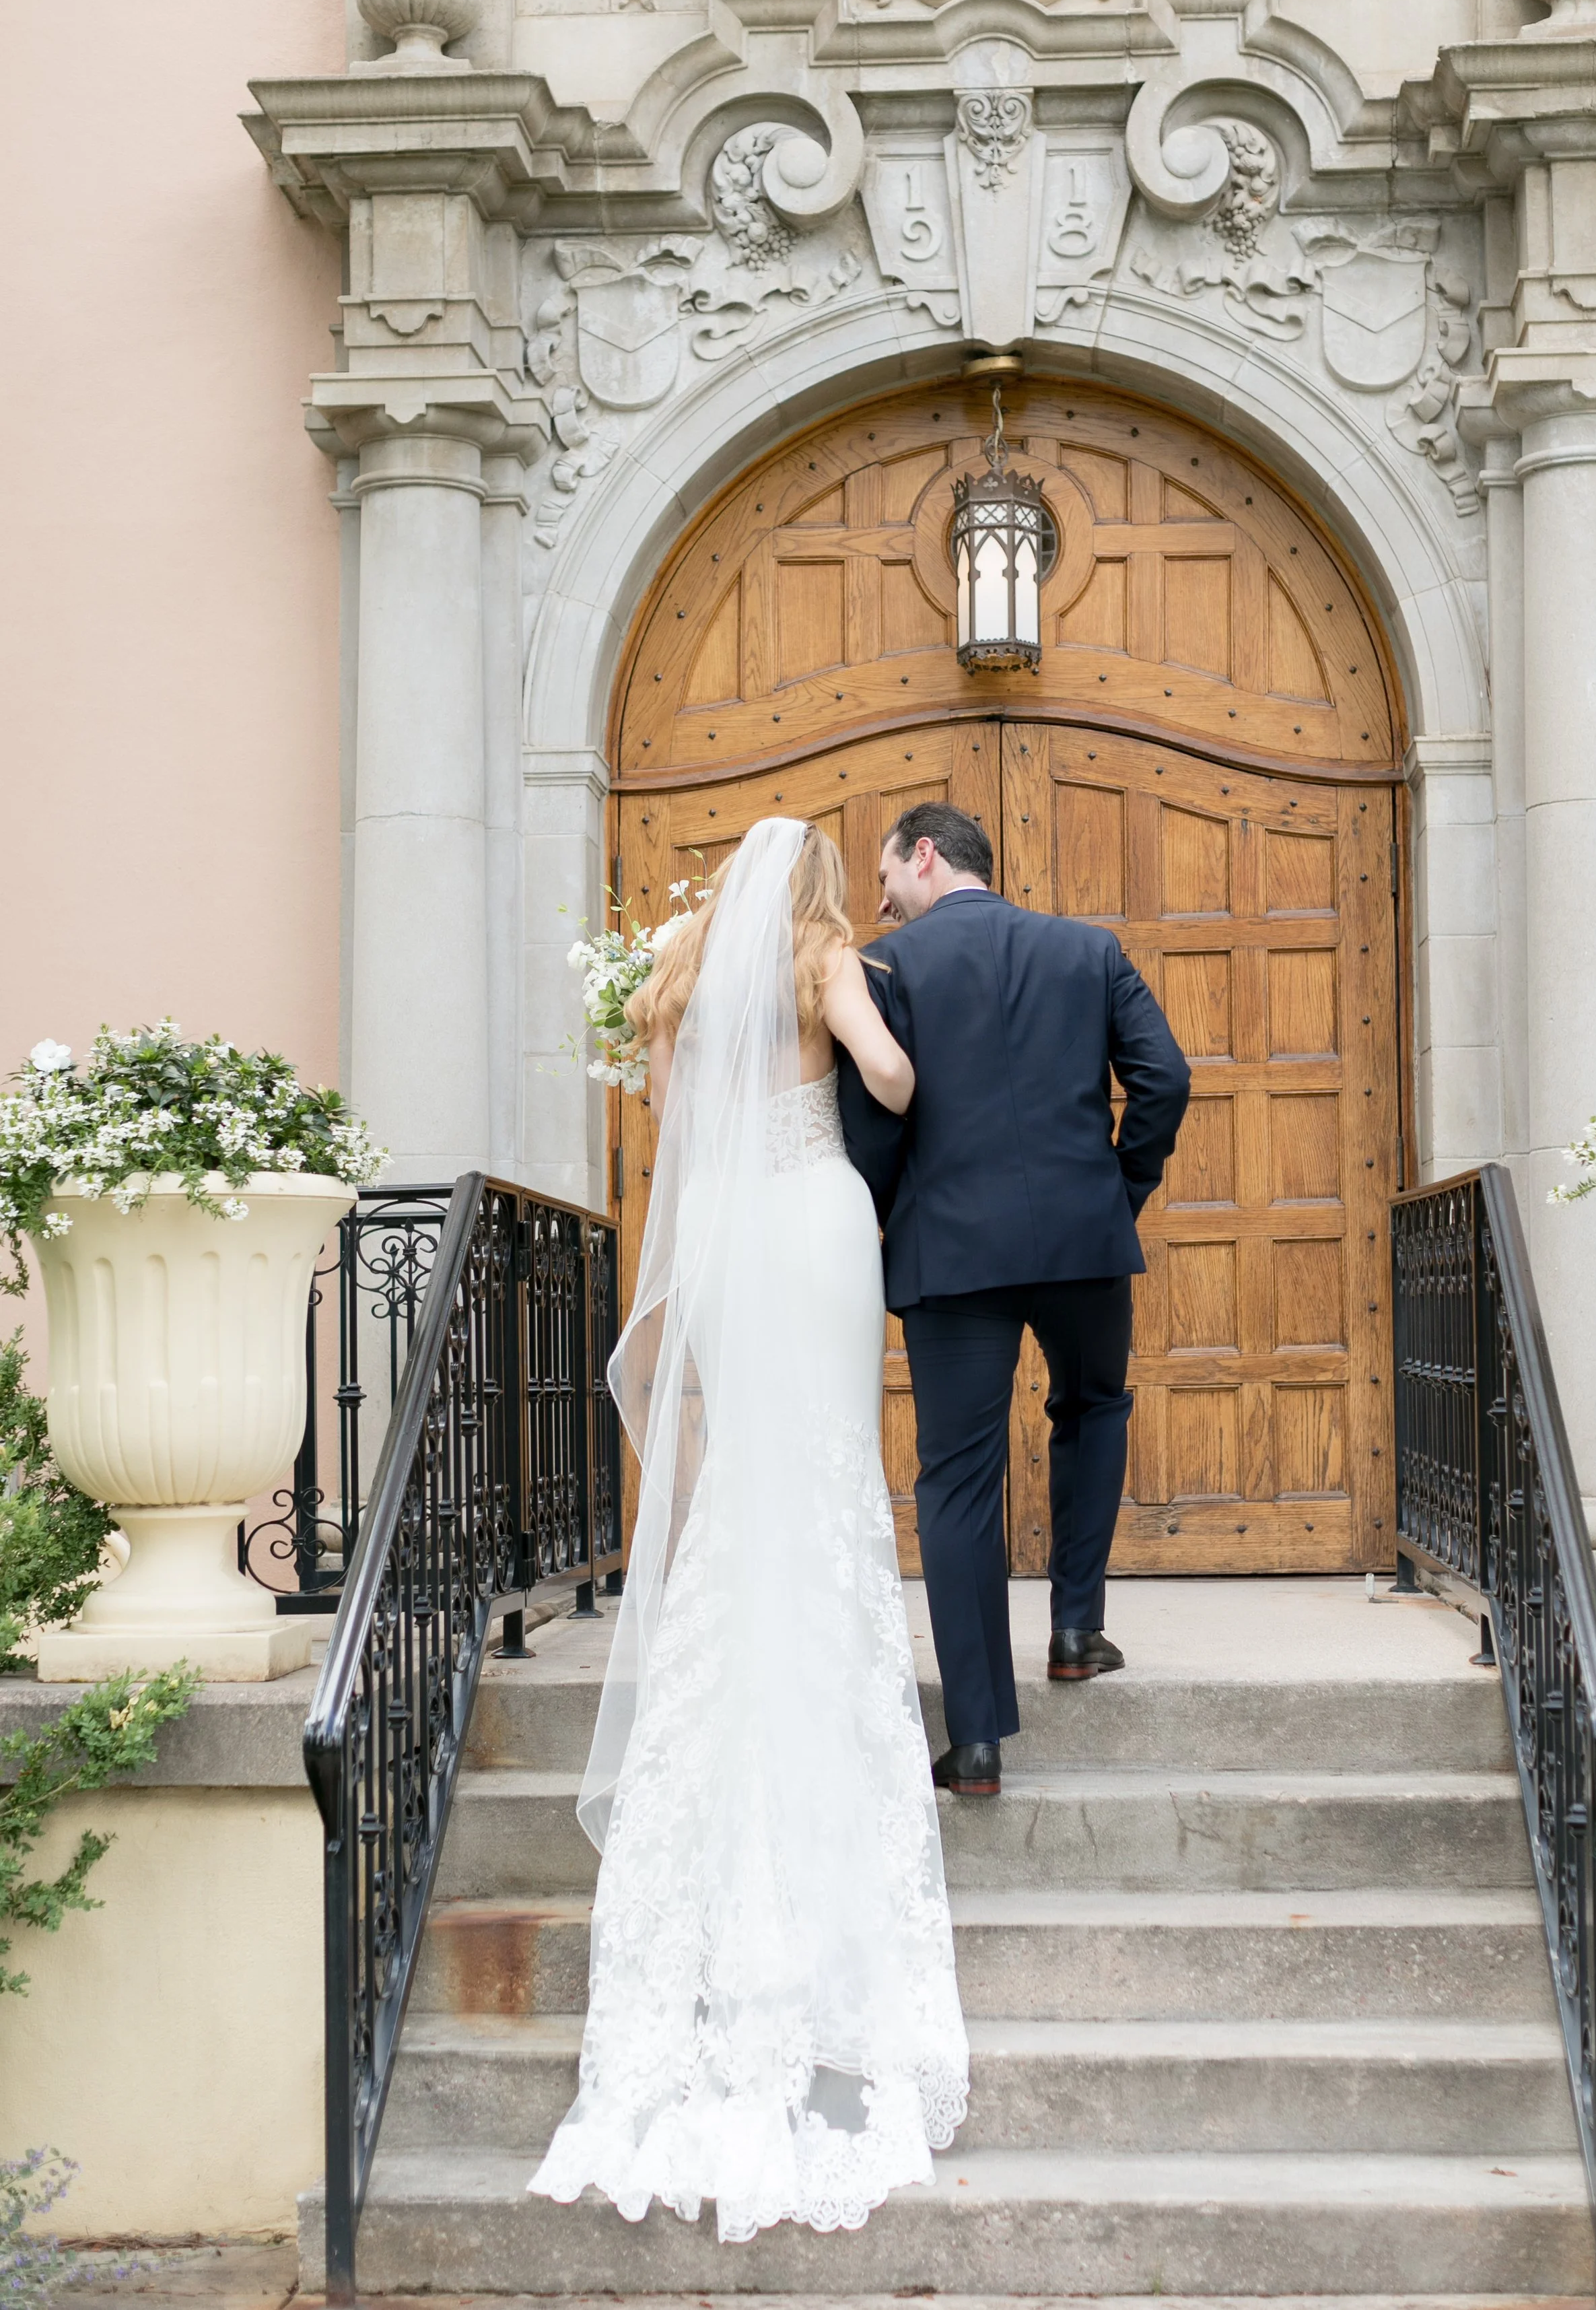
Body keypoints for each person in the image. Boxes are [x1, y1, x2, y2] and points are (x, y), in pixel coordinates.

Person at [528, 819, 969, 2241]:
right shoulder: (823, 954)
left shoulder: (672, 962)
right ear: (824, 887)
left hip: (723, 1226)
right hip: (818, 1217)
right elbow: (890, 1079)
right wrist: (875, 1058)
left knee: (741, 1475)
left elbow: (666, 1108)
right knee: (830, 1469)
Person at [837, 801, 1191, 1798]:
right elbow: (1165, 1079)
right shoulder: (1087, 949)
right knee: (1093, 1409)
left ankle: (981, 1737)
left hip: (950, 1252)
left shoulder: (887, 967)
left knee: (956, 1478)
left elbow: (872, 1125)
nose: (881, 899)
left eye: (887, 879)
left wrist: (896, 1210)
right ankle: (1077, 1628)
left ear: (924, 856)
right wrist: (1118, 1188)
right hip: (1083, 1240)